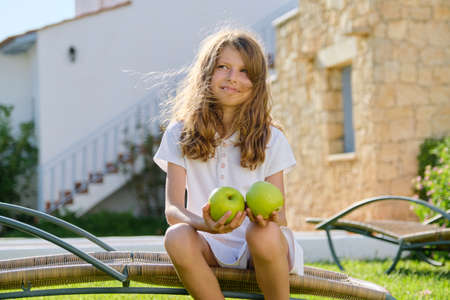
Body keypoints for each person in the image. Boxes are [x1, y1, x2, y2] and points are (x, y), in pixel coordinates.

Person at [154, 28, 303, 300]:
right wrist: (206, 225)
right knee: (175, 236)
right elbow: (173, 209)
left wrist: (262, 217)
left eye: (245, 71)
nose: (233, 78)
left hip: (260, 249)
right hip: (207, 242)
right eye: (224, 67)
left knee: (264, 233)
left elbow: (280, 216)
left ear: (256, 82)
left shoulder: (271, 138)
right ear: (207, 72)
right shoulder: (179, 133)